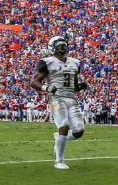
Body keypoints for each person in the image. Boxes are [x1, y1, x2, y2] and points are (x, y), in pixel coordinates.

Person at [30, 36, 88, 169]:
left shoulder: (75, 62)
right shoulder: (48, 62)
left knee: (79, 130)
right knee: (64, 125)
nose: (61, 48)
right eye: (58, 45)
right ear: (52, 48)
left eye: (63, 45)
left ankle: (59, 138)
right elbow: (34, 81)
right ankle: (59, 161)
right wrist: (46, 88)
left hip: (71, 99)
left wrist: (80, 86)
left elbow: (73, 85)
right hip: (57, 98)